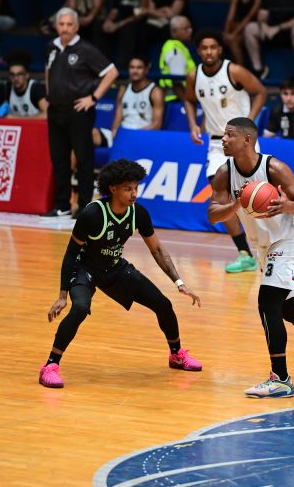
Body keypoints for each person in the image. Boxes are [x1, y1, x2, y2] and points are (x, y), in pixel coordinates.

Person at [207, 117, 294, 398]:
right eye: (223, 135)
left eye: (229, 135)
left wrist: (286, 205)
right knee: (286, 307)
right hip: (263, 246)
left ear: (247, 140)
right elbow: (213, 215)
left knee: (267, 302)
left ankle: (281, 379)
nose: (223, 139)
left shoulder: (274, 168)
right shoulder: (224, 173)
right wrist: (236, 204)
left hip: (288, 240)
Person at [39, 159, 203, 388]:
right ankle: (50, 366)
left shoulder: (138, 213)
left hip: (114, 268)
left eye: (136, 188)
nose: (134, 193)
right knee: (80, 308)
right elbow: (70, 254)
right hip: (85, 268)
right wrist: (62, 294)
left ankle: (176, 355)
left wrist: (179, 282)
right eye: (128, 189)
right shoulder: (92, 214)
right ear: (113, 188)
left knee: (163, 304)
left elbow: (157, 250)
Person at [184, 29, 268, 273]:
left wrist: (249, 122)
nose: (209, 52)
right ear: (199, 51)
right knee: (219, 198)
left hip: (244, 142)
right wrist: (192, 123)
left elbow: (261, 91)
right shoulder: (194, 76)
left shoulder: (234, 71)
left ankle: (269, 248)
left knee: (256, 195)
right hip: (216, 143)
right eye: (204, 48)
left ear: (220, 49)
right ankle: (245, 253)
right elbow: (189, 99)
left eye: (213, 47)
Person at [44, 7, 119, 217]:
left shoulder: (85, 49)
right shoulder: (51, 47)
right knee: (59, 159)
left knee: (83, 159)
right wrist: (50, 93)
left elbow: (112, 72)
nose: (65, 28)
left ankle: (85, 206)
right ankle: (62, 205)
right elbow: (48, 70)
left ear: (76, 27)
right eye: (62, 24)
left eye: (69, 24)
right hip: (55, 110)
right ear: (56, 26)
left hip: (78, 111)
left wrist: (93, 98)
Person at [101, 0, 151, 69]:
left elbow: (141, 13)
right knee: (101, 27)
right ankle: (103, 67)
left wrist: (118, 25)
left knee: (129, 30)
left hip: (136, 21)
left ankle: (122, 69)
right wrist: (108, 21)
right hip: (120, 20)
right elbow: (115, 10)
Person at [111, 56, 165, 138]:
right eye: (132, 67)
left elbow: (156, 125)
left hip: (142, 136)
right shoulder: (123, 89)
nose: (135, 71)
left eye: (139, 68)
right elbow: (117, 121)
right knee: (94, 133)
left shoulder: (155, 92)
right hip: (123, 134)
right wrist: (114, 134)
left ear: (146, 70)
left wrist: (134, 135)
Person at [0, 55, 49, 119]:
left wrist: (18, 119)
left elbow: (47, 115)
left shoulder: (36, 89)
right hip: (15, 126)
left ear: (27, 75)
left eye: (19, 74)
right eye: (12, 75)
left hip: (35, 126)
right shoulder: (6, 88)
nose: (16, 78)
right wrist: (3, 117)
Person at [223, 0, 264, 64]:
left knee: (233, 41)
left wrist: (233, 34)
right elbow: (230, 16)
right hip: (240, 27)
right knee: (222, 38)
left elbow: (249, 16)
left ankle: (240, 68)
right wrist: (226, 32)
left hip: (253, 27)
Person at [158, 16, 196, 103]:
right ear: (174, 32)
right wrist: (188, 104)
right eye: (186, 28)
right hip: (177, 100)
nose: (190, 31)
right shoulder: (175, 51)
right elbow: (177, 83)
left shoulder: (178, 47)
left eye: (190, 27)